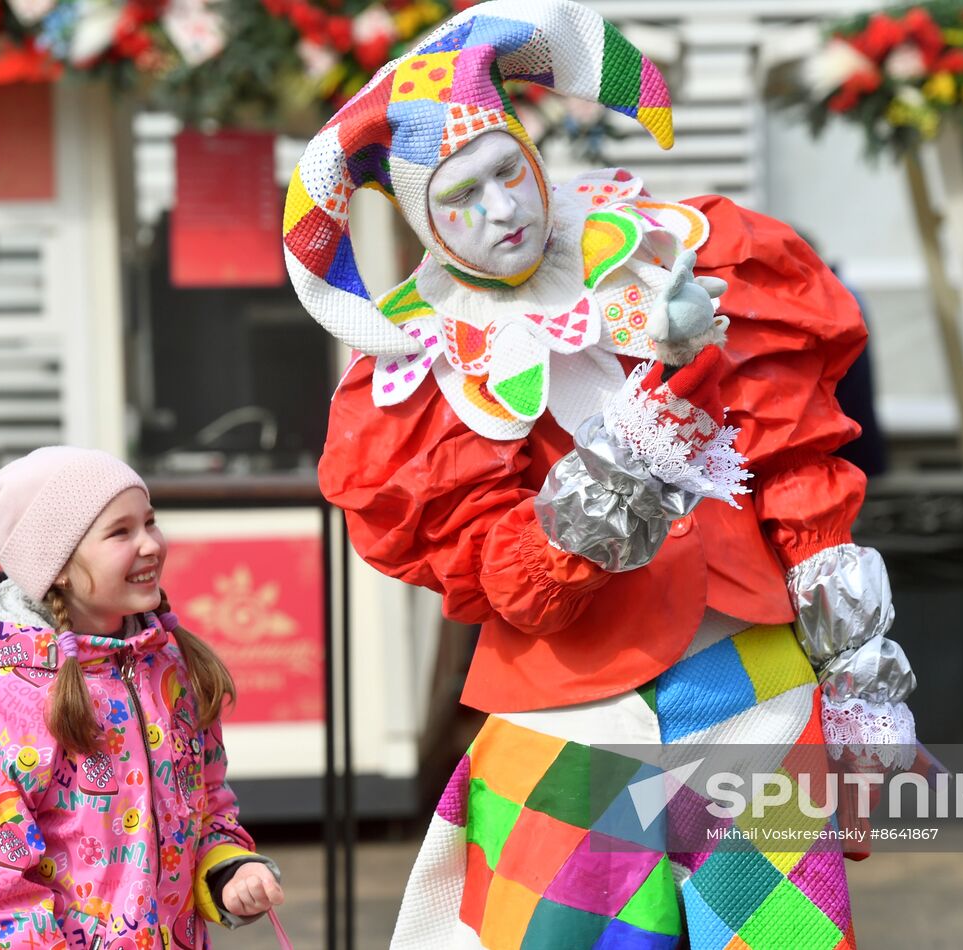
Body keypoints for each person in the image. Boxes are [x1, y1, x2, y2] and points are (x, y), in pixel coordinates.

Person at [286, 2, 920, 946]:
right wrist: (642, 420)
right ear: (422, 218)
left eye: (508, 169)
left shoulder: (676, 249)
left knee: (779, 939)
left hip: (750, 683)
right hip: (574, 712)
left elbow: (792, 464)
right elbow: (520, 586)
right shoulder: (416, 382)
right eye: (460, 197)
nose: (502, 209)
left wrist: (862, 677)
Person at [0, 446, 284, 948]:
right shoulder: (1, 710)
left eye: (150, 521)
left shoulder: (170, 669)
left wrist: (229, 871)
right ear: (57, 566)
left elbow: (207, 806)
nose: (151, 545)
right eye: (120, 532)